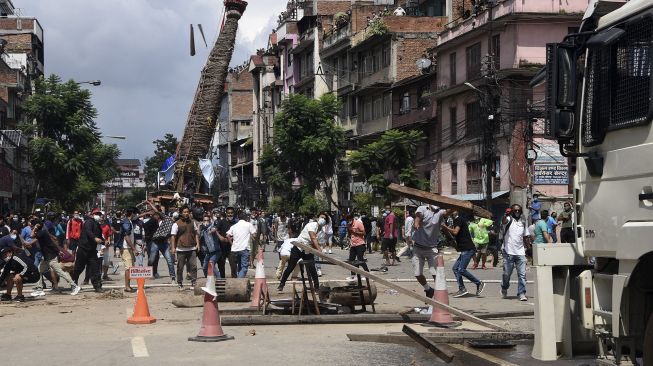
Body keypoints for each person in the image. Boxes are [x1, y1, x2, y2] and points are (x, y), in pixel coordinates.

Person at [277, 212, 328, 292]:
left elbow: (317, 242)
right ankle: (281, 284)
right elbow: (313, 238)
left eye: (324, 219)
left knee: (312, 268)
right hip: (298, 247)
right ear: (318, 218)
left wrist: (319, 251)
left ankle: (317, 287)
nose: (323, 219)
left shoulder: (321, 230)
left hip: (308, 250)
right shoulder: (312, 225)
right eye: (322, 217)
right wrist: (320, 251)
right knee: (290, 267)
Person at [29, 221, 81, 297]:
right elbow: (52, 243)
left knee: (59, 272)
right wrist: (58, 251)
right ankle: (40, 289)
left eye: (32, 226)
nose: (31, 228)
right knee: (39, 270)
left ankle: (74, 286)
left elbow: (31, 235)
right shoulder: (43, 233)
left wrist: (35, 227)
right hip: (47, 257)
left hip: (51, 257)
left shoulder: (42, 232)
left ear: (37, 226)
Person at [441, 210, 484, 298]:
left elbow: (455, 232)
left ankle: (479, 283)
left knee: (461, 269)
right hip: (466, 249)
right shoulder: (457, 221)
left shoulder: (459, 220)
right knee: (455, 268)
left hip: (467, 249)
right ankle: (462, 289)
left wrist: (445, 227)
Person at [411, 205, 447, 298]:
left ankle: (439, 294)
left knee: (435, 273)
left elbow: (447, 212)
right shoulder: (423, 208)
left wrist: (456, 206)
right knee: (418, 274)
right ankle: (428, 289)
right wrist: (416, 224)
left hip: (431, 248)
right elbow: (418, 217)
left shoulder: (440, 212)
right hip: (418, 248)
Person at [500, 204, 531, 301]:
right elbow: (503, 221)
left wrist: (529, 248)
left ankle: (521, 293)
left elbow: (525, 236)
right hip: (508, 251)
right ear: (512, 211)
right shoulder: (508, 219)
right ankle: (504, 287)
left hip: (520, 252)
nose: (517, 212)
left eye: (519, 211)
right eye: (515, 211)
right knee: (507, 274)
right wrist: (505, 214)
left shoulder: (522, 222)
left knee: (522, 275)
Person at [72, 208, 104, 292]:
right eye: (96, 214)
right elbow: (88, 232)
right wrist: (94, 238)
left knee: (95, 268)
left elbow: (100, 237)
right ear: (92, 215)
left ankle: (97, 286)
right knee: (79, 268)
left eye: (99, 214)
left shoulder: (98, 225)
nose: (98, 215)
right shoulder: (88, 222)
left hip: (92, 250)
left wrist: (104, 242)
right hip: (83, 249)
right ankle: (74, 283)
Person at [171, 206, 199, 289]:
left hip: (192, 248)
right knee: (180, 267)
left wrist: (198, 244)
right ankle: (180, 283)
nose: (186, 213)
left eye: (187, 212)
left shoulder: (192, 222)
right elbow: (173, 237)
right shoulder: (176, 224)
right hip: (180, 249)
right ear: (181, 213)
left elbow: (196, 233)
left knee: (193, 266)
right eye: (184, 212)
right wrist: (173, 248)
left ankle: (194, 283)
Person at [227, 211, 256, 278]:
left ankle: (239, 279)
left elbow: (228, 235)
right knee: (244, 267)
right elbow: (254, 235)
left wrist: (232, 244)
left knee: (239, 266)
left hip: (235, 249)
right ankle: (239, 281)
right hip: (244, 248)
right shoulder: (248, 224)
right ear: (245, 217)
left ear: (238, 218)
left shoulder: (234, 226)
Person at [149, 211, 176, 284]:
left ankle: (173, 277)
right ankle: (149, 273)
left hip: (164, 242)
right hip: (156, 242)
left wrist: (171, 246)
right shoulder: (166, 218)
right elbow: (156, 211)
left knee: (169, 260)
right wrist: (150, 203)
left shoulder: (174, 224)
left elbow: (172, 235)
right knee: (151, 260)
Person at [345, 214, 368, 281]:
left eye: (350, 220)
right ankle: (353, 275)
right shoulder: (349, 224)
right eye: (348, 220)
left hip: (360, 244)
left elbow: (364, 233)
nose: (349, 221)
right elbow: (350, 234)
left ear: (352, 219)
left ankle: (367, 273)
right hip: (353, 244)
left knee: (360, 260)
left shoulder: (358, 223)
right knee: (351, 260)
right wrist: (348, 230)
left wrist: (356, 232)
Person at [216, 207, 237, 278]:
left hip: (232, 247)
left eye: (231, 213)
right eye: (228, 213)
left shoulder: (236, 223)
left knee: (234, 266)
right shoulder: (222, 221)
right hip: (222, 247)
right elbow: (215, 230)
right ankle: (222, 279)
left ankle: (234, 281)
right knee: (221, 265)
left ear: (233, 213)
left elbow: (238, 233)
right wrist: (220, 237)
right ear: (226, 213)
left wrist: (232, 238)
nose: (230, 214)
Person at [199, 213, 220, 278]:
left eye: (207, 220)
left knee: (211, 264)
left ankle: (219, 280)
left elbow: (214, 229)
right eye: (204, 220)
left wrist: (212, 231)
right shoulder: (202, 229)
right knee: (205, 267)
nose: (206, 222)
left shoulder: (212, 226)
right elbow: (198, 236)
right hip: (208, 252)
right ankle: (207, 279)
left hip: (215, 251)